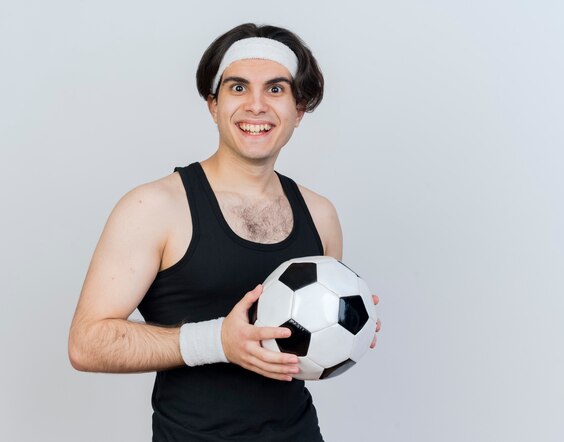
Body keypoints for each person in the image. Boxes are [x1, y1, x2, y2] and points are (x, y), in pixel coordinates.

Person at [68, 23, 380, 441]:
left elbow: (303, 353)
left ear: (298, 109)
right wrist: (218, 341)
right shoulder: (154, 207)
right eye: (237, 88)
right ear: (213, 104)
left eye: (275, 89)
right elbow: (86, 343)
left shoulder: (320, 214)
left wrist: (345, 330)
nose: (256, 106)